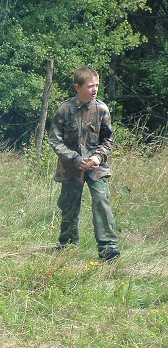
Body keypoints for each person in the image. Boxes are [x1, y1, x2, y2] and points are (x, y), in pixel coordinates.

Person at [48, 66, 120, 261]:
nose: (95, 89)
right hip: (72, 166)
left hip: (96, 166)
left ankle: (108, 248)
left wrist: (98, 157)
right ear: (77, 87)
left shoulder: (102, 109)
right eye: (90, 86)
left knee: (101, 201)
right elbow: (55, 140)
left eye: (97, 85)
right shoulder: (64, 110)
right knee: (69, 206)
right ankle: (67, 246)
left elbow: (108, 140)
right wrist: (75, 158)